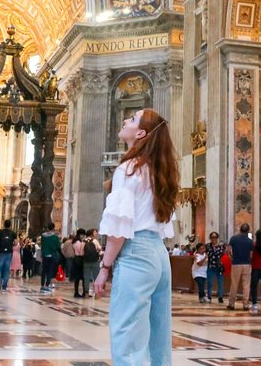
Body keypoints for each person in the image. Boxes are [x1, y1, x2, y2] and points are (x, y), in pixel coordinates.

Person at [94, 108, 179, 366]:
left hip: (136, 253)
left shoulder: (128, 169)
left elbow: (120, 228)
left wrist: (105, 266)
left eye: (131, 119)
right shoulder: (159, 170)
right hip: (159, 255)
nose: (124, 120)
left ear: (140, 132)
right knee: (158, 338)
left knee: (127, 335)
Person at [227, 223, 254, 311]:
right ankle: (246, 305)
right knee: (246, 285)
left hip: (236, 263)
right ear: (248, 231)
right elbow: (251, 255)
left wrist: (232, 259)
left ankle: (231, 304)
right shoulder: (250, 241)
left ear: (240, 229)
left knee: (234, 284)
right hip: (246, 264)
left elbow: (228, 251)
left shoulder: (234, 238)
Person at [0, 219, 17, 292]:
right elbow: (16, 243)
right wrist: (11, 244)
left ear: (4, 224)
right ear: (10, 225)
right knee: (6, 269)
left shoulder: (0, 232)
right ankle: (4, 286)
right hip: (9, 253)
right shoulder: (13, 233)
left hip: (1, 252)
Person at [39, 223, 61, 293]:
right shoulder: (55, 237)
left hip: (45, 255)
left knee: (44, 271)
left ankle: (42, 285)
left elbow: (42, 244)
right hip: (51, 255)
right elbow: (58, 246)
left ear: (47, 227)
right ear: (53, 228)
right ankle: (47, 285)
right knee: (50, 271)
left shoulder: (43, 236)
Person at [205, 232, 226, 304]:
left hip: (219, 267)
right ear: (210, 238)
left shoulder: (221, 246)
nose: (214, 239)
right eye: (212, 237)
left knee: (220, 282)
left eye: (215, 237)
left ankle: (220, 297)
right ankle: (209, 296)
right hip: (211, 266)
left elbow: (224, 255)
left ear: (217, 238)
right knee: (209, 282)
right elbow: (201, 252)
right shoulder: (207, 246)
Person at [82, 228, 102, 296]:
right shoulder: (95, 241)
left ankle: (86, 293)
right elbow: (99, 248)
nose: (95, 234)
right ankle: (96, 293)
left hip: (86, 261)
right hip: (95, 261)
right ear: (91, 234)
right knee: (96, 276)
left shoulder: (83, 241)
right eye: (94, 232)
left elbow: (82, 252)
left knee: (86, 277)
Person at [72, 229, 87, 298]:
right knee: (81, 277)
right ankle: (80, 292)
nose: (83, 236)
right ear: (80, 234)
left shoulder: (75, 241)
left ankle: (78, 292)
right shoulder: (78, 242)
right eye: (83, 234)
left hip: (76, 259)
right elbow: (81, 252)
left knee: (78, 277)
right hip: (79, 259)